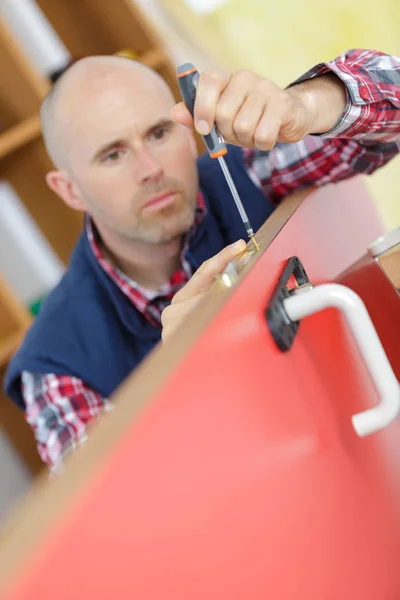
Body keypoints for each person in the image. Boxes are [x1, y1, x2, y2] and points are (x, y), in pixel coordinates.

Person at [4, 49, 400, 472]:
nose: (150, 168)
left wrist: (305, 105)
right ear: (69, 191)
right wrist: (175, 381)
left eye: (159, 133)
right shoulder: (52, 367)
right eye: (112, 155)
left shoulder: (247, 174)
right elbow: (114, 518)